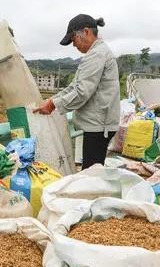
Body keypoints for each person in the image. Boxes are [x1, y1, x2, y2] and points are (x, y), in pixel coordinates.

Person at [34, 14, 120, 169]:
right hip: (99, 124)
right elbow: (74, 86)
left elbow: (81, 92)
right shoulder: (96, 53)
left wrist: (53, 104)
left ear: (86, 32)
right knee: (93, 171)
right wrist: (53, 99)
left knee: (91, 174)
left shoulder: (97, 55)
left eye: (74, 39)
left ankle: (94, 193)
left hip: (99, 126)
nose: (74, 45)